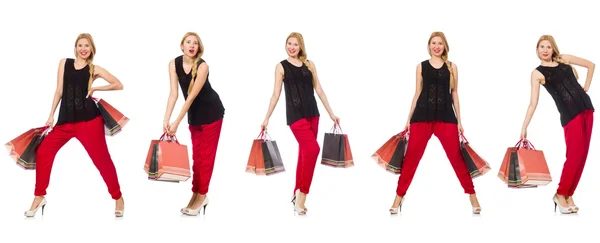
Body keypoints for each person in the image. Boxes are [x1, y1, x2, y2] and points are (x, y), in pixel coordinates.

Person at [25, 33, 125, 217]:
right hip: (65, 122)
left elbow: (118, 85)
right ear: (75, 47)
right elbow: (59, 91)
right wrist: (51, 115)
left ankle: (118, 197)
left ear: (92, 49)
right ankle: (39, 197)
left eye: (87, 45)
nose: (83, 48)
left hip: (89, 122)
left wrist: (95, 88)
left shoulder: (94, 69)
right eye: (80, 45)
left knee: (102, 160)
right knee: (43, 151)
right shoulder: (64, 63)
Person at [389, 31, 482, 214]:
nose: (437, 46)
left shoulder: (452, 67)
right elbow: (417, 93)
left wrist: (460, 121)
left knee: (456, 158)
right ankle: (398, 197)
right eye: (434, 43)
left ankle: (472, 196)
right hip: (421, 117)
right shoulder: (421, 67)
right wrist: (408, 119)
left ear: (445, 46)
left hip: (446, 117)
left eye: (440, 43)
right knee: (411, 159)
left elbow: (454, 93)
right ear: (429, 46)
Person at [261, 32, 340, 215]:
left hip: (313, 114)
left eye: (295, 44)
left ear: (301, 46)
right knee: (313, 149)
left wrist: (331, 113)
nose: (292, 47)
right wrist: (266, 118)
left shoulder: (309, 64)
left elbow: (319, 89)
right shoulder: (280, 67)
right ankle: (302, 195)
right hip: (296, 116)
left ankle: (296, 191)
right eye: (289, 43)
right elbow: (275, 95)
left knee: (305, 153)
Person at [519, 35, 595, 214]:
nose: (545, 49)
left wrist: (586, 86)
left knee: (582, 156)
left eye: (548, 46)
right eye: (542, 46)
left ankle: (569, 195)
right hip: (570, 115)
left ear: (553, 49)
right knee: (574, 156)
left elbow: (591, 65)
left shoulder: (564, 59)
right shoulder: (537, 73)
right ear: (537, 50)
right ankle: (560, 194)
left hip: (587, 109)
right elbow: (533, 103)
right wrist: (524, 126)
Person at [163, 32, 225, 216]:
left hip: (212, 114)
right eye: (188, 42)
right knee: (197, 159)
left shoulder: (202, 66)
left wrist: (176, 122)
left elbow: (190, 98)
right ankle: (195, 194)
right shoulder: (173, 64)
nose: (192, 45)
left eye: (195, 43)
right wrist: (166, 119)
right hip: (194, 117)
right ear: (181, 45)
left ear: (199, 47)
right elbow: (174, 93)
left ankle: (202, 195)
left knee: (206, 159)